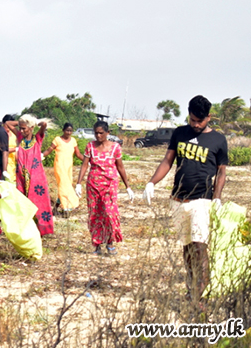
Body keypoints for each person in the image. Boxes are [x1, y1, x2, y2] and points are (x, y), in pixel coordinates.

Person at [143, 95, 227, 303]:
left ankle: (200, 298)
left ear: (209, 117)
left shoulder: (218, 140)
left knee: (200, 246)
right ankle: (191, 289)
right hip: (178, 200)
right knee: (188, 248)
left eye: (200, 121)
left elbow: (222, 172)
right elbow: (167, 160)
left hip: (203, 201)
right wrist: (151, 182)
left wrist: (216, 198)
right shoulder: (180, 133)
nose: (196, 125)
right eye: (193, 120)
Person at [75, 121, 134, 255]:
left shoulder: (115, 147)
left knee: (109, 213)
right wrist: (78, 183)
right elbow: (84, 165)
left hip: (110, 185)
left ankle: (110, 242)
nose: (98, 135)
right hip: (93, 185)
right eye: (96, 133)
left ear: (108, 133)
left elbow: (120, 167)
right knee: (94, 213)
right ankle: (96, 244)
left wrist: (128, 186)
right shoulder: (90, 146)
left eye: (101, 133)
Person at [5, 114, 53, 236]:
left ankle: (41, 229)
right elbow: (8, 124)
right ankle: (26, 229)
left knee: (37, 201)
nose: (21, 130)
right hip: (21, 176)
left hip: (36, 177)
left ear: (31, 128)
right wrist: (22, 121)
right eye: (20, 128)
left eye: (24, 128)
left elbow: (44, 125)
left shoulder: (37, 138)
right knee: (23, 202)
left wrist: (34, 122)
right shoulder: (20, 137)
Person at [42, 123, 84, 214]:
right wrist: (40, 156)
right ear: (63, 130)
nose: (68, 132)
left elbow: (78, 154)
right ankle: (66, 208)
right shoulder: (57, 140)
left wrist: (88, 160)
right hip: (59, 166)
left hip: (69, 167)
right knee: (64, 185)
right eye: (67, 130)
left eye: (70, 131)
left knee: (65, 186)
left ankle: (56, 206)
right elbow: (49, 150)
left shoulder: (73, 141)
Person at [3, 114, 18, 183]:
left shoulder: (14, 135)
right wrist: (15, 149)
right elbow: (3, 149)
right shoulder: (2, 134)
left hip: (14, 161)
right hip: (6, 161)